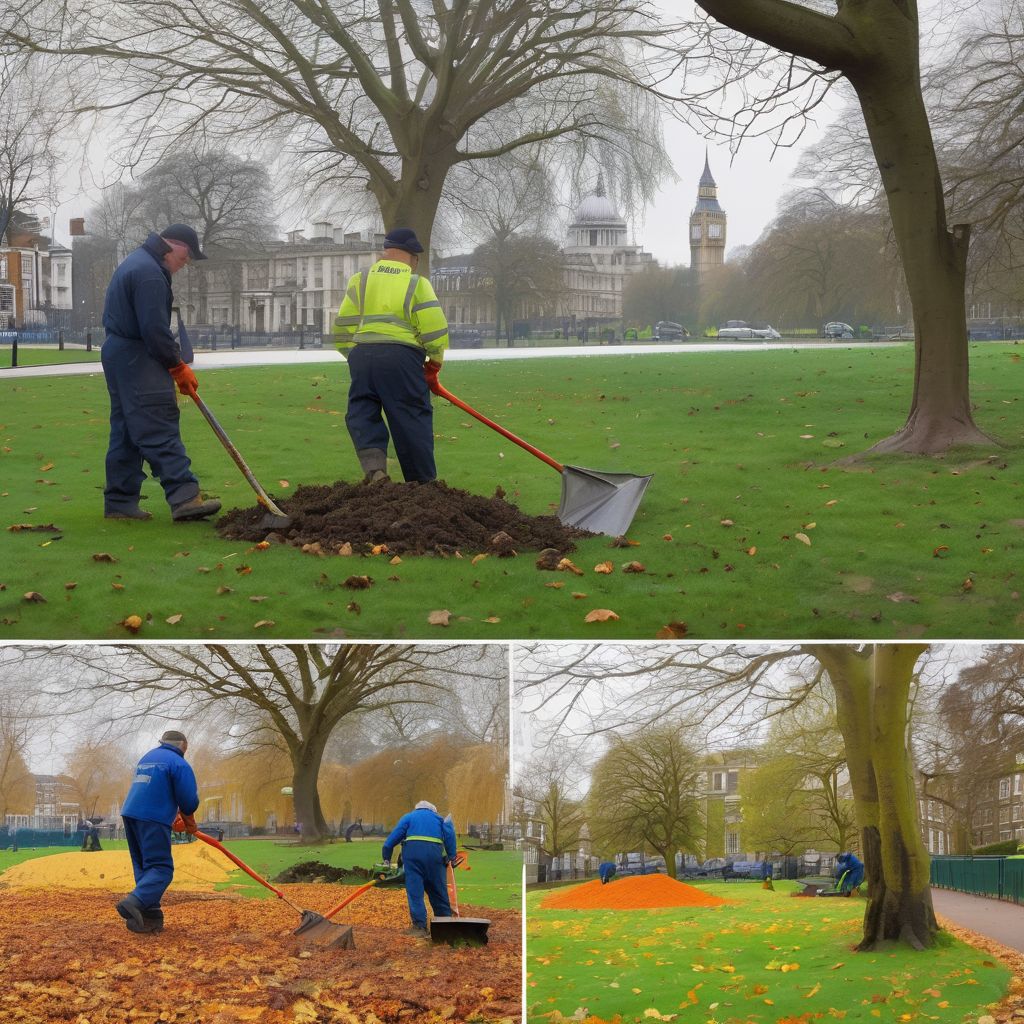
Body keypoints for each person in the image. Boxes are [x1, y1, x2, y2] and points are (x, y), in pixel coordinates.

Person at [100, 223, 221, 522]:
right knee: (157, 421)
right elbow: (154, 330)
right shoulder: (150, 274)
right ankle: (184, 497)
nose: (187, 262)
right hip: (137, 354)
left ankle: (120, 501)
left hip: (119, 352)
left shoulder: (137, 262)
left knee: (127, 429)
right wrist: (177, 366)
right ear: (173, 246)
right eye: (187, 256)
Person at [332, 228, 449, 484]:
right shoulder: (416, 283)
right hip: (402, 357)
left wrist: (352, 355)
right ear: (413, 258)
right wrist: (434, 363)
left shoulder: (360, 279)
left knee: (362, 410)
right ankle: (422, 484)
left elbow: (342, 327)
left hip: (362, 354)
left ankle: (375, 469)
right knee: (410, 417)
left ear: (385, 253)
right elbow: (435, 330)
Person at [117, 729, 200, 934]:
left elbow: (153, 789)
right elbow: (188, 800)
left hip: (130, 814)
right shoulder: (178, 763)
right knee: (162, 869)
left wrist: (177, 816)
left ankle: (149, 916)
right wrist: (188, 820)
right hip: (153, 818)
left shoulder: (147, 757)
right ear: (183, 745)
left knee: (146, 867)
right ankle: (134, 902)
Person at [382, 799, 457, 938]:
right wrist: (452, 856)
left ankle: (419, 927)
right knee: (438, 891)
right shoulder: (439, 819)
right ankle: (445, 926)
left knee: (415, 893)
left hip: (413, 859)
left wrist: (386, 859)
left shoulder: (408, 817)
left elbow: (389, 842)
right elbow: (449, 832)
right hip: (435, 858)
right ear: (432, 810)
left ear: (418, 809)